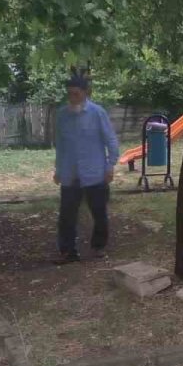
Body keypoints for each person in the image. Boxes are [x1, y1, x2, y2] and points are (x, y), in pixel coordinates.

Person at [54, 71, 120, 264]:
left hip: (95, 173)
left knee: (99, 212)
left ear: (85, 93)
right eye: (70, 94)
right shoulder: (62, 115)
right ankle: (68, 251)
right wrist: (58, 169)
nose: (72, 97)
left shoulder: (97, 113)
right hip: (71, 173)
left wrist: (110, 166)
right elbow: (61, 145)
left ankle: (98, 246)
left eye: (76, 93)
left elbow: (111, 141)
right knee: (67, 215)